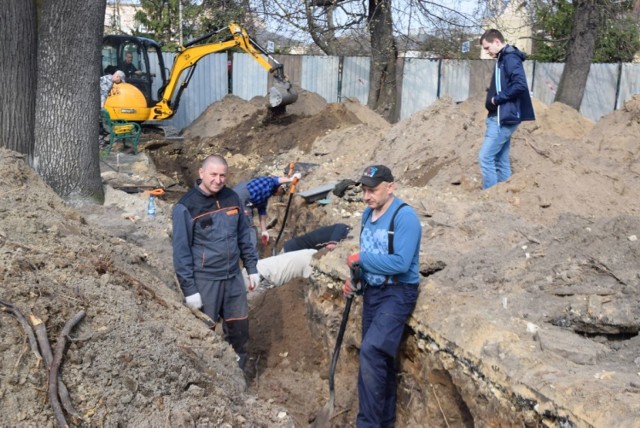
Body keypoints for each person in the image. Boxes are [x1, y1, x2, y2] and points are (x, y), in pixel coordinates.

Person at [343, 165, 422, 427]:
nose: (367, 196)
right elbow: (369, 259)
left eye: (373, 190)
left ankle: (366, 424)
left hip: (398, 294)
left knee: (372, 351)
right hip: (374, 294)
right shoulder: (367, 215)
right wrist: (356, 280)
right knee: (381, 362)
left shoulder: (404, 217)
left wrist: (362, 259)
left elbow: (400, 263)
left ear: (390, 187)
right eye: (364, 190)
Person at [172, 154, 260, 370]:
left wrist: (251, 267)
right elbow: (181, 252)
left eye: (222, 175)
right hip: (205, 279)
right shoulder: (186, 207)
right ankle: (209, 376)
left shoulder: (232, 198)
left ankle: (238, 374)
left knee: (239, 329)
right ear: (201, 173)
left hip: (232, 278)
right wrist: (190, 290)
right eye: (213, 174)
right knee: (204, 332)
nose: (218, 180)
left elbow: (244, 235)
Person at [479, 28, 535, 190]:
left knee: (486, 157)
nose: (487, 52)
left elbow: (520, 85)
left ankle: (489, 197)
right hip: (500, 117)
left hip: (502, 118)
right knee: (501, 159)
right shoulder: (503, 58)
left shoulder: (509, 58)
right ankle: (504, 195)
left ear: (497, 42)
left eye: (487, 47)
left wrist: (497, 98)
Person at [233, 173, 302, 249]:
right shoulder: (269, 183)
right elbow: (276, 180)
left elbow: (262, 213)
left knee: (235, 225)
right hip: (241, 197)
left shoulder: (266, 196)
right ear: (279, 187)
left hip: (242, 201)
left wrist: (264, 231)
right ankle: (252, 256)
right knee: (250, 229)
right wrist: (291, 179)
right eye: (281, 191)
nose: (279, 194)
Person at [282, 223, 350, 253]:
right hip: (292, 249)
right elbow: (341, 227)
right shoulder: (343, 229)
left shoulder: (337, 230)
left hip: (292, 244)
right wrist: (333, 242)